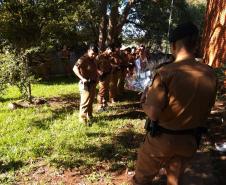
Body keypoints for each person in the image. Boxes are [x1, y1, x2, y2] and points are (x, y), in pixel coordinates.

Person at [132, 22, 217, 185]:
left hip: (161, 140)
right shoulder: (210, 74)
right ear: (196, 44)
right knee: (175, 180)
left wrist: (143, 101)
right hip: (189, 140)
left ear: (173, 45)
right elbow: (207, 109)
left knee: (141, 179)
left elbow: (153, 113)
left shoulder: (165, 73)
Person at [73, 45, 99, 125]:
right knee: (85, 102)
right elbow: (75, 68)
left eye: (95, 54)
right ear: (88, 51)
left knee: (91, 101)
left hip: (93, 83)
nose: (94, 55)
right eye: (92, 53)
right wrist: (82, 78)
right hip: (85, 84)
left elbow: (94, 69)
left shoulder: (93, 60)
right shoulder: (83, 59)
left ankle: (90, 116)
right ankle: (83, 120)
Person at [95, 46, 113, 111]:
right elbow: (94, 66)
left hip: (108, 75)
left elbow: (110, 65)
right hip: (102, 76)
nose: (111, 54)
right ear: (107, 49)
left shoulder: (109, 57)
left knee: (106, 90)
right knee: (101, 91)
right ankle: (100, 106)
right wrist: (99, 72)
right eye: (110, 52)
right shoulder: (99, 57)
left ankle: (104, 104)